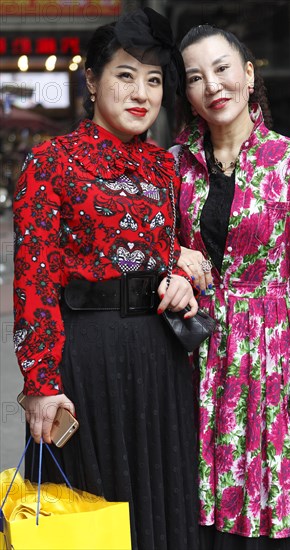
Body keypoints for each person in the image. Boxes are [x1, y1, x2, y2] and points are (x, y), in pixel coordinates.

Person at [13, 9, 200, 550]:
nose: (141, 92)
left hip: (159, 359)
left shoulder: (164, 169)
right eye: (125, 74)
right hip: (86, 360)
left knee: (161, 504)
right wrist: (41, 385)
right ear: (92, 80)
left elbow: (172, 257)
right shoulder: (50, 163)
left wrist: (185, 276)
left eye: (155, 79)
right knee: (91, 509)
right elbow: (34, 279)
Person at [171, 24, 290, 550]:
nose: (212, 86)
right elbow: (149, 248)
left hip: (272, 352)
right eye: (196, 77)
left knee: (274, 485)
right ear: (188, 93)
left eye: (222, 69)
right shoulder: (175, 167)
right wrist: (175, 259)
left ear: (247, 74)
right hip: (195, 353)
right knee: (201, 488)